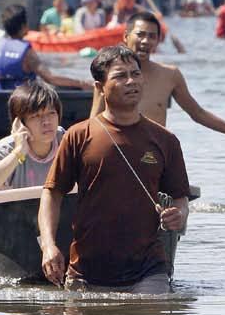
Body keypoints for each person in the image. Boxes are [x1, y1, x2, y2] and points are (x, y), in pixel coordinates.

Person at [40, 46, 190, 294]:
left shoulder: (165, 140)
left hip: (148, 270)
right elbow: (52, 193)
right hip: (86, 271)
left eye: (136, 74)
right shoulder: (79, 135)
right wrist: (48, 246)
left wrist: (178, 215)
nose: (131, 81)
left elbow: (181, 199)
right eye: (120, 76)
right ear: (99, 87)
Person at [92, 12, 225, 140]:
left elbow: (198, 113)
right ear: (126, 37)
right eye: (140, 34)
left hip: (153, 154)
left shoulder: (170, 75)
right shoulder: (109, 75)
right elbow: (94, 121)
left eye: (152, 36)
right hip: (117, 150)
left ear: (158, 41)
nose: (145, 41)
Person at [0, 81, 65, 193]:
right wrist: (19, 152)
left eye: (51, 113)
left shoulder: (68, 141)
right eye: (36, 116)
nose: (46, 122)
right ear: (19, 123)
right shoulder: (7, 148)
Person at [0, 5, 92, 91]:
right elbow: (50, 78)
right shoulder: (27, 53)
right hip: (22, 104)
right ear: (23, 26)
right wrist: (81, 83)